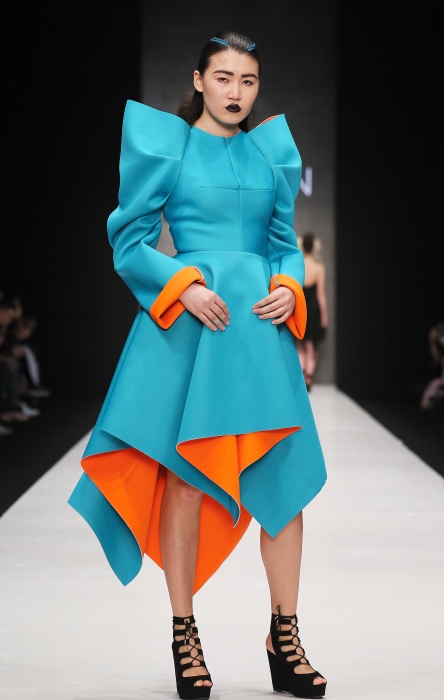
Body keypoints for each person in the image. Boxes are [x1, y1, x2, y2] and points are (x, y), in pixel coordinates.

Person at [68, 30, 328, 700]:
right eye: (223, 78)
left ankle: (285, 636)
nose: (236, 92)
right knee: (186, 479)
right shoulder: (170, 146)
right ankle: (185, 633)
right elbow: (129, 240)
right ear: (198, 80)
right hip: (195, 325)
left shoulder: (270, 154)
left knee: (284, 481)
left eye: (248, 80)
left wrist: (289, 285)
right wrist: (183, 286)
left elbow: (282, 244)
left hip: (260, 329)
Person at [296, 232, 328, 391]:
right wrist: (324, 316)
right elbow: (320, 294)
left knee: (300, 343)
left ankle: (302, 377)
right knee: (310, 346)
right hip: (313, 309)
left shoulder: (298, 265)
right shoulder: (318, 267)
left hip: (300, 305)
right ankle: (308, 377)